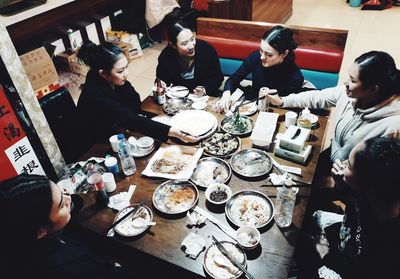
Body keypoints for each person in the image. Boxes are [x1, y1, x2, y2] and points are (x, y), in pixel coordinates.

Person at [264, 50, 400, 167]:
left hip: (351, 181)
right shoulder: (348, 94)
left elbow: (380, 177)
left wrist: (335, 183)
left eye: (353, 80)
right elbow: (316, 97)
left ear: (372, 89)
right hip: (331, 158)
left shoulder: (393, 127)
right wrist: (282, 101)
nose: (346, 82)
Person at [296, 137, 400, 279]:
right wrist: (341, 183)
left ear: (368, 185)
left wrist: (325, 254)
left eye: (349, 165)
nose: (343, 164)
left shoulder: (387, 243)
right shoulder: (378, 192)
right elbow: (354, 203)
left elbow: (360, 272)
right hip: (346, 241)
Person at [0, 174, 133, 279]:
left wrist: (62, 200)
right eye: (62, 204)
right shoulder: (69, 268)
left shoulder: (24, 235)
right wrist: (117, 267)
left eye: (62, 192)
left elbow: (74, 201)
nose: (68, 198)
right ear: (41, 231)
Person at [77, 41, 197, 153]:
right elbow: (127, 117)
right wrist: (174, 132)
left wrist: (129, 118)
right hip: (96, 143)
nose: (126, 74)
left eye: (126, 68)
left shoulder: (112, 78)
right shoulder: (95, 94)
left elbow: (134, 99)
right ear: (103, 73)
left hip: (117, 129)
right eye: (120, 71)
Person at [217, 25, 305, 112]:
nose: (262, 57)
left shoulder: (295, 77)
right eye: (261, 50)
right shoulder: (256, 57)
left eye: (269, 55)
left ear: (284, 54)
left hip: (275, 111)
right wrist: (226, 94)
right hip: (253, 104)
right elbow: (233, 79)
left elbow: (288, 108)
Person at [156, 20, 223, 96]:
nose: (191, 46)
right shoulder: (165, 56)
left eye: (192, 39)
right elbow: (161, 77)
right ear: (173, 45)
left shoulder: (207, 50)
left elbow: (217, 78)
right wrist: (162, 84)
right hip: (178, 97)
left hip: (202, 98)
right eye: (185, 43)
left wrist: (205, 89)